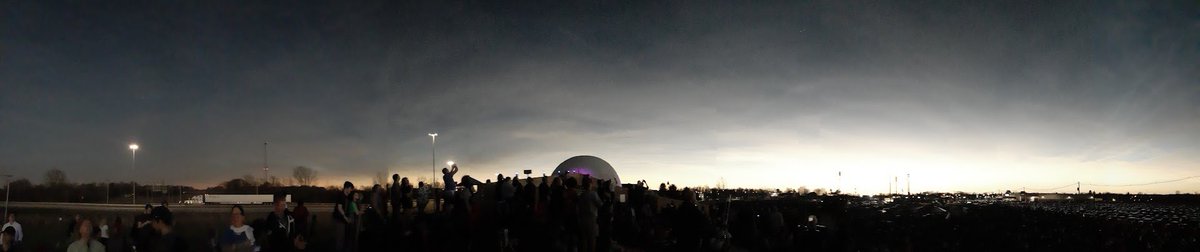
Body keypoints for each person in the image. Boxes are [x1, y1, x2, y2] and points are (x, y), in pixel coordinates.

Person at [577, 177, 603, 252]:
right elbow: (600, 205)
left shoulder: (581, 195)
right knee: (592, 240)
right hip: (591, 219)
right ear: (590, 184)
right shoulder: (593, 194)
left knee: (584, 240)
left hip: (582, 220)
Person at [333, 181, 354, 252]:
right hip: (339, 219)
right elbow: (339, 208)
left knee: (343, 237)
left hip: (342, 219)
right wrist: (345, 217)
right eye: (351, 188)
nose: (351, 190)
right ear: (347, 188)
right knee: (340, 238)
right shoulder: (341, 195)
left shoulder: (346, 196)